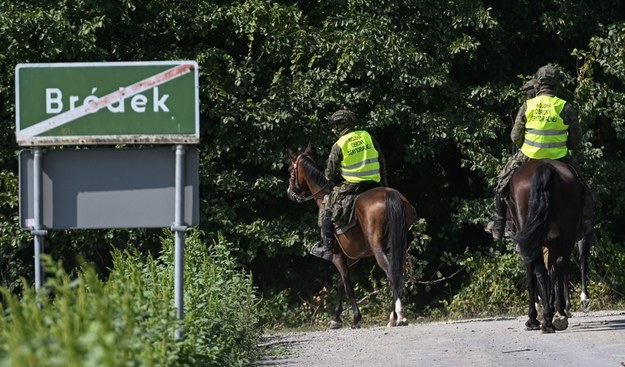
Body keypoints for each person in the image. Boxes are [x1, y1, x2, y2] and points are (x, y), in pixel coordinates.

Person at [485, 64, 596, 240]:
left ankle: (499, 224)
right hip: (560, 157)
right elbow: (576, 139)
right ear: (557, 83)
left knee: (502, 182)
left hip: (529, 155)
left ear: (538, 83)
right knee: (585, 186)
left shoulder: (528, 105)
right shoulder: (564, 107)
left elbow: (515, 137)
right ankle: (585, 223)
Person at [309, 109, 388, 261]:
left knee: (326, 205)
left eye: (334, 126)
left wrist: (331, 175)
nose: (333, 130)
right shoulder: (367, 136)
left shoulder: (339, 144)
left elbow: (330, 174)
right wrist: (384, 183)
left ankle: (327, 247)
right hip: (374, 183)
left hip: (353, 186)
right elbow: (381, 160)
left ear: (341, 126)